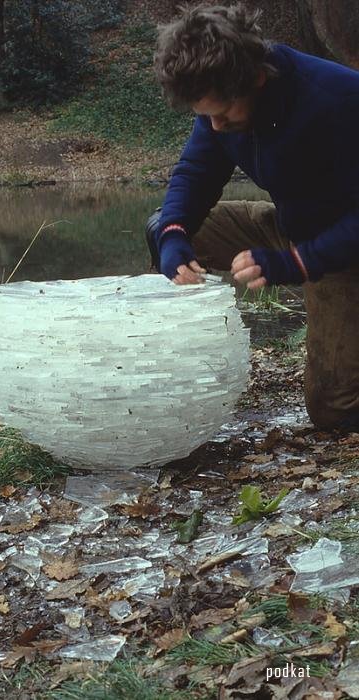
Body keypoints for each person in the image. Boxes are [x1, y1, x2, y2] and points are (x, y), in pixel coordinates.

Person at [145, 2, 359, 431]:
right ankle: (176, 366)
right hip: (289, 225)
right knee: (165, 227)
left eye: (222, 113)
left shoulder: (338, 99)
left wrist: (298, 263)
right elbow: (195, 172)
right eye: (205, 116)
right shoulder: (219, 102)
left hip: (344, 250)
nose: (215, 125)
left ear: (256, 79)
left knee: (332, 410)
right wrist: (173, 235)